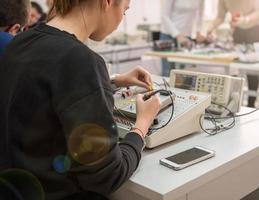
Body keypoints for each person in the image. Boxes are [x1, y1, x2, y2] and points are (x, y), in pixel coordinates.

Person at [0, 0, 161, 200]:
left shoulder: (20, 42)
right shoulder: (81, 60)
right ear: (108, 2)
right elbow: (108, 176)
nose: (121, 20)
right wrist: (142, 125)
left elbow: (45, 87)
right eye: (125, 11)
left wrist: (112, 82)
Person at [207, 0, 259, 107]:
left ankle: (251, 103)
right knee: (235, 62)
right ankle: (234, 103)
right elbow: (220, 17)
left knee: (252, 65)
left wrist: (244, 19)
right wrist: (208, 30)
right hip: (240, 25)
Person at [160, 0, 206, 77]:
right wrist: (177, 35)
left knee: (185, 73)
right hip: (168, 35)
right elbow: (164, 16)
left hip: (186, 36)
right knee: (168, 72)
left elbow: (200, 15)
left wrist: (198, 32)